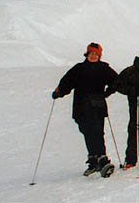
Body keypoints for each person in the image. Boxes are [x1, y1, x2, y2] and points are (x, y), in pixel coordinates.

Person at [52, 42, 118, 177]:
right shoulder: (79, 69)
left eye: (96, 54)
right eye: (91, 54)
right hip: (81, 107)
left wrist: (107, 92)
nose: (93, 56)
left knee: (97, 132)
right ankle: (94, 161)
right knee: (87, 132)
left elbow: (117, 82)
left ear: (99, 56)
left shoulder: (104, 69)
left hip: (97, 106)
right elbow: (66, 83)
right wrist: (59, 92)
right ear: (87, 54)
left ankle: (102, 160)